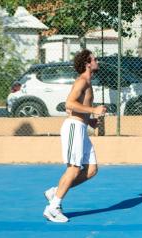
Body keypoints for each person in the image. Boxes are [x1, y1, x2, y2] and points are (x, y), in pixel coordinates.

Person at [43, 49, 107, 223]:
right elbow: (69, 103)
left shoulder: (88, 82)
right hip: (73, 128)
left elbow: (77, 107)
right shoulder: (82, 81)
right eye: (95, 59)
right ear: (88, 63)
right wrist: (94, 110)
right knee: (74, 169)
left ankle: (55, 191)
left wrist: (90, 121)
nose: (97, 61)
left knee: (92, 169)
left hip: (81, 128)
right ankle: (53, 208)